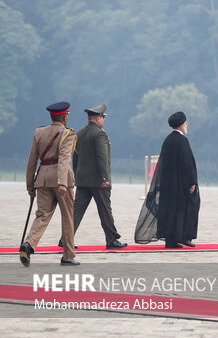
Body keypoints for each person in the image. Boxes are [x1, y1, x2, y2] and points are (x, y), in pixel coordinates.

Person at [20, 102, 80, 266]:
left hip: (43, 179)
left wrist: (29, 185)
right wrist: (61, 183)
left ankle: (29, 244)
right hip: (61, 181)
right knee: (67, 217)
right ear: (64, 117)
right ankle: (68, 255)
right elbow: (63, 160)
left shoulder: (39, 132)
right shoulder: (68, 134)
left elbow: (32, 161)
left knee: (42, 215)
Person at [59, 104, 126, 249]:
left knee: (76, 211)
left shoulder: (80, 133)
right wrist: (105, 179)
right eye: (102, 117)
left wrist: (77, 174)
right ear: (98, 118)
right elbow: (102, 158)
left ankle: (65, 238)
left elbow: (74, 157)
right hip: (98, 181)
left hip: (83, 180)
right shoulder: (99, 134)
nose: (103, 120)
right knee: (105, 210)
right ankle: (112, 240)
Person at [134, 111, 200, 248]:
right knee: (187, 207)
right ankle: (185, 237)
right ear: (181, 125)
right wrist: (192, 181)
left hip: (169, 184)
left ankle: (171, 240)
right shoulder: (182, 141)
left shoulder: (168, 139)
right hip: (181, 184)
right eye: (186, 122)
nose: (187, 125)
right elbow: (187, 163)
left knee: (170, 210)